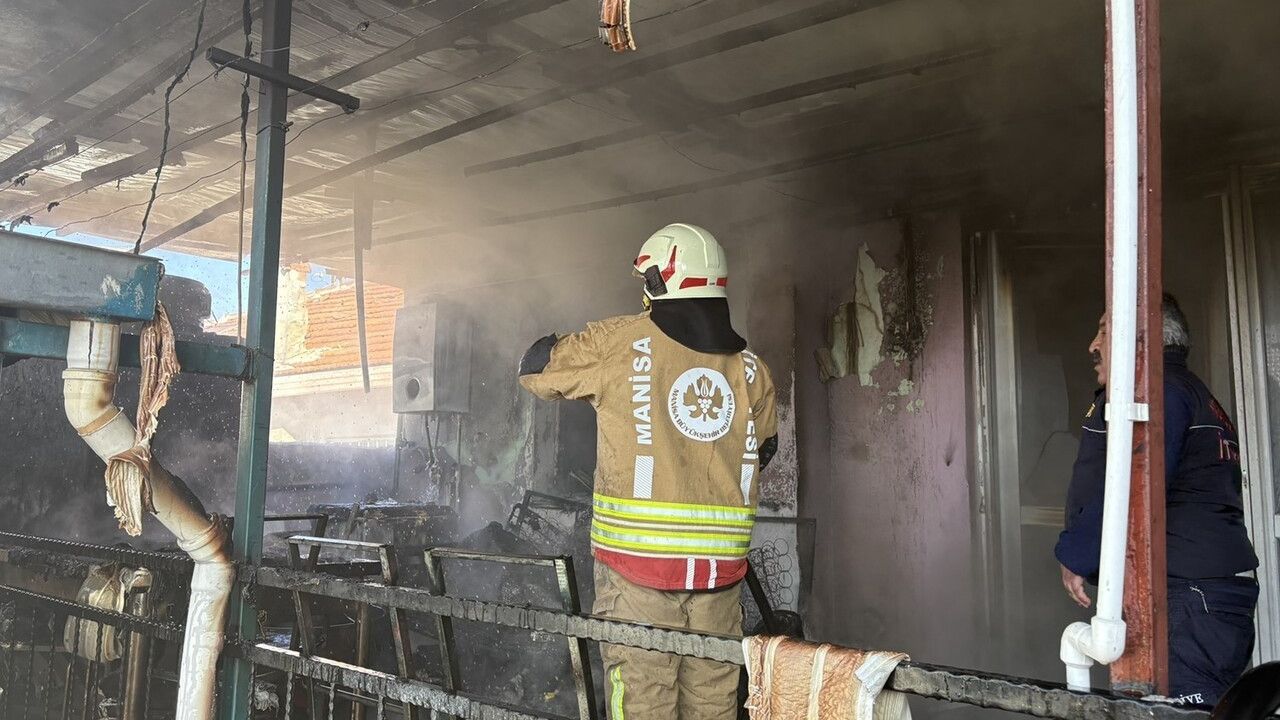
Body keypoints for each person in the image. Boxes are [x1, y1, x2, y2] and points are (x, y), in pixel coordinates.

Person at [519, 223, 779, 719]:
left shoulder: (619, 343)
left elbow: (534, 368)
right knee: (712, 708)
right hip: (720, 583)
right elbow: (764, 449)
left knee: (643, 706)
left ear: (660, 282)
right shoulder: (753, 371)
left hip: (637, 579)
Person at [1055, 293, 1259, 705]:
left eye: (1105, 331)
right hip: (1200, 597)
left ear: (1140, 338)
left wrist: (1077, 554)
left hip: (1190, 599)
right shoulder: (1187, 391)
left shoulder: (1160, 391)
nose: (1093, 345)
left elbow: (1134, 482)